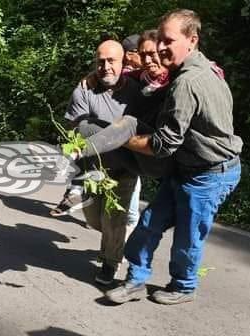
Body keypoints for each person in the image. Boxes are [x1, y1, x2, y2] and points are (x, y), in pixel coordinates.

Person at [104, 8, 243, 305]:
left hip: (210, 174)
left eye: (169, 41)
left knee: (188, 236)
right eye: (161, 40)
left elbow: (163, 145)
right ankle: (136, 280)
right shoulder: (206, 68)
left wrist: (119, 138)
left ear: (192, 40)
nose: (162, 47)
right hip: (187, 168)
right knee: (149, 222)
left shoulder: (188, 82)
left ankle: (184, 286)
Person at [59, 39, 144, 285]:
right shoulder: (85, 90)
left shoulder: (137, 91)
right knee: (95, 219)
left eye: (112, 61)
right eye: (101, 61)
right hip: (93, 171)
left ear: (123, 62)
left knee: (114, 219)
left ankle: (110, 262)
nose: (106, 66)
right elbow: (79, 128)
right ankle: (111, 245)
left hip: (125, 169)